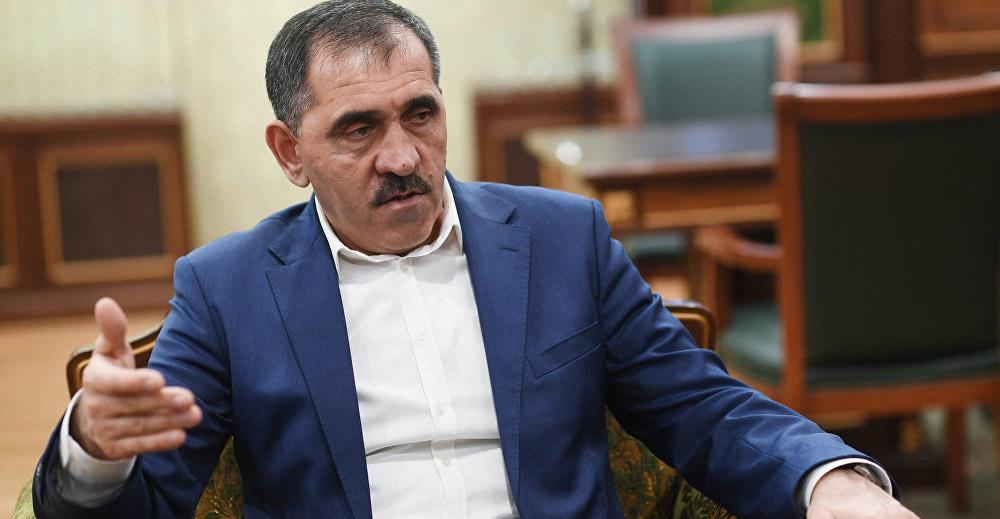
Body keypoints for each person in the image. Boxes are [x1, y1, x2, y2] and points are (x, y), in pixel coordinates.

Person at [32, 1, 919, 517]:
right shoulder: (226, 288)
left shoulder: (563, 240)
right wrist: (94, 449)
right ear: (289, 152)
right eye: (358, 129)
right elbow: (146, 507)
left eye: (419, 114)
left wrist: (832, 482)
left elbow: (704, 409)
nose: (402, 155)